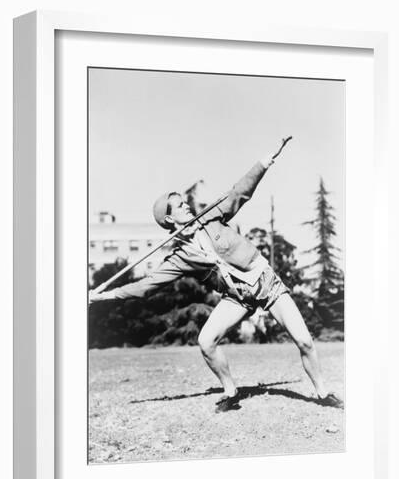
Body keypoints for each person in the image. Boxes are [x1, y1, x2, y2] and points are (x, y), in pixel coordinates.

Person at [89, 139, 344, 412]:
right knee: (206, 341)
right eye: (179, 206)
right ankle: (230, 391)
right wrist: (103, 296)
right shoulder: (180, 257)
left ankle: (322, 392)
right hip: (237, 298)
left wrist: (264, 162)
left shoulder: (211, 217)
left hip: (265, 283)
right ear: (169, 220)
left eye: (185, 202)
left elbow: (239, 193)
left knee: (304, 340)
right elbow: (146, 286)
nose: (187, 206)